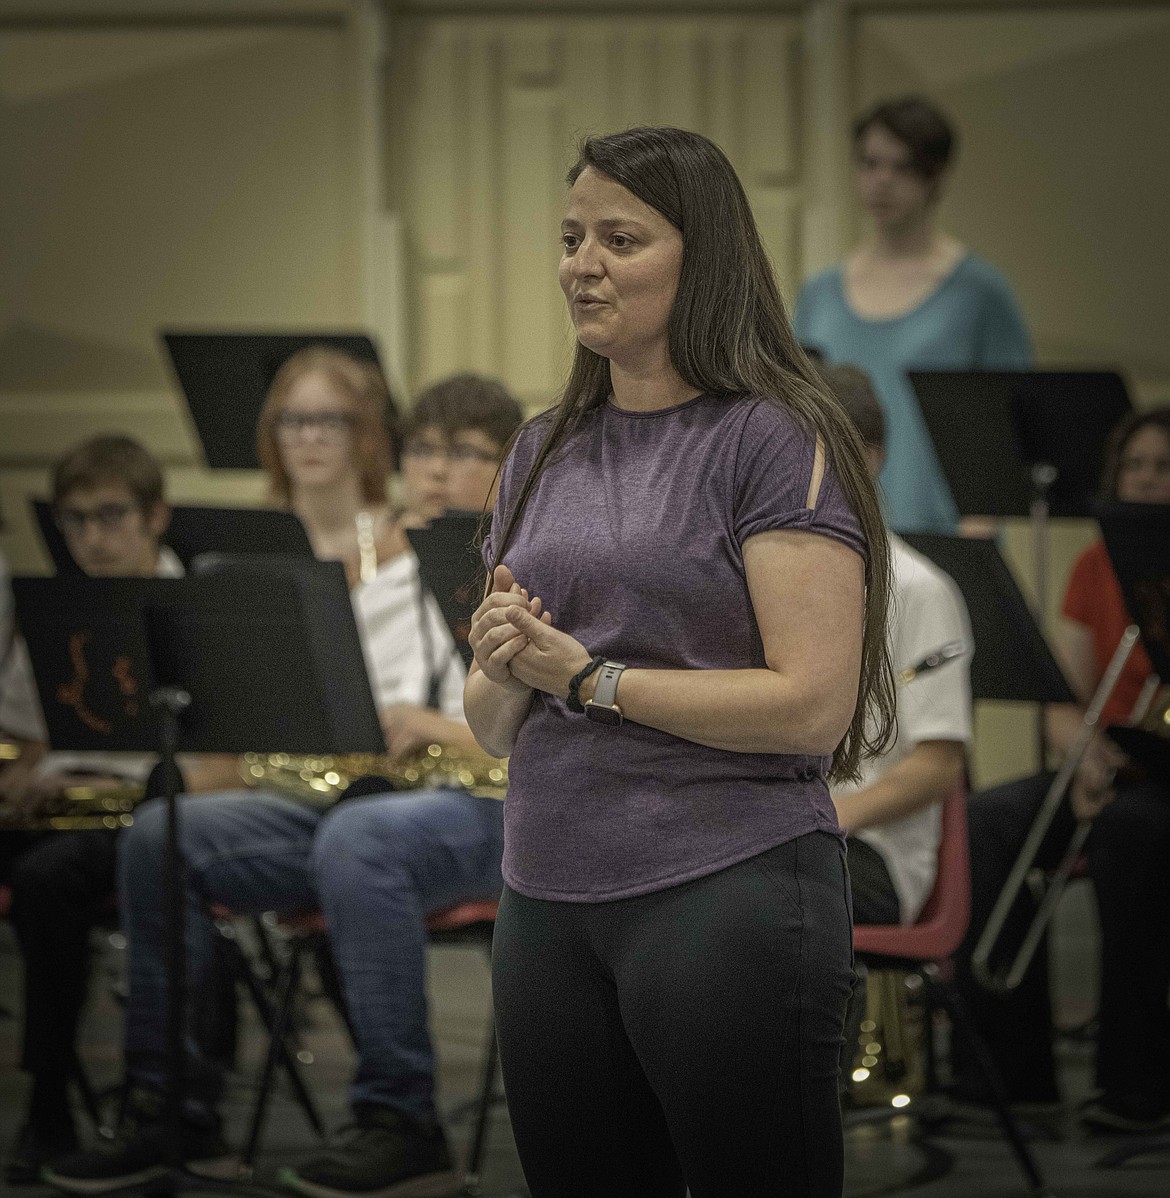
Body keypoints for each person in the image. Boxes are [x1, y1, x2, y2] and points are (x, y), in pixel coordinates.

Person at [464, 126, 896, 1197]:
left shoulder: (771, 436)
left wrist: (584, 678)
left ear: (701, 257)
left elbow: (810, 708)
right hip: (546, 891)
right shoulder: (538, 447)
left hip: (726, 886)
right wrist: (503, 665)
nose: (583, 264)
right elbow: (487, 718)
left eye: (620, 237)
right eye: (571, 238)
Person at [45, 365, 523, 1198]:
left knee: (360, 840)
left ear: (511, 464)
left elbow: (539, 727)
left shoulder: (527, 561)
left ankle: (400, 1121)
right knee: (165, 831)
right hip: (362, 801)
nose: (437, 469)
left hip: (487, 805)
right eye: (423, 450)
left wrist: (432, 728)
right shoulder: (383, 580)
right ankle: (174, 1111)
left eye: (465, 453)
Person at [953, 407, 1170, 1133]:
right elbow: (1062, 699)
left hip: (1158, 784)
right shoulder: (1095, 563)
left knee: (1131, 835)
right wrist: (1085, 759)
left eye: (1162, 468)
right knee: (988, 821)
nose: (1145, 480)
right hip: (1107, 763)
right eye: (1134, 466)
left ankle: (1133, 1089)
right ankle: (1009, 1081)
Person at [0, 435, 191, 1184]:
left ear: (154, 517)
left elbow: (214, 758)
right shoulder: (55, 609)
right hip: (62, 809)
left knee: (48, 885)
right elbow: (18, 735)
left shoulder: (190, 606)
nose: (92, 537)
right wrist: (30, 769)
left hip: (143, 819)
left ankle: (48, 1107)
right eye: (75, 521)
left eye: (111, 516)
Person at [794, 96, 1033, 535]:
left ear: (935, 175)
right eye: (869, 163)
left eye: (901, 167)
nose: (881, 181)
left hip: (942, 532)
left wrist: (978, 530)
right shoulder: (821, 293)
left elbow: (1011, 426)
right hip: (836, 531)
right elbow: (795, 418)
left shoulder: (978, 293)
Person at [818, 365, 972, 930]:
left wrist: (817, 819)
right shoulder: (760, 579)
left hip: (870, 849)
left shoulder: (919, 589)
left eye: (824, 449)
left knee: (743, 900)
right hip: (784, 839)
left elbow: (937, 768)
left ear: (871, 458)